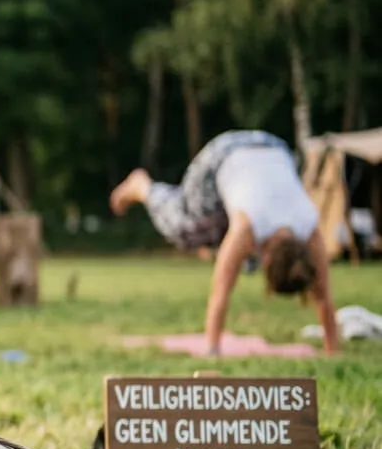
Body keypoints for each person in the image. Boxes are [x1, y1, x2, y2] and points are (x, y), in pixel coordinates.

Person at [110, 129, 341, 356]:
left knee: (227, 242)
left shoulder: (308, 221)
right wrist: (212, 349)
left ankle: (210, 243)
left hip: (275, 147)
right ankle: (142, 186)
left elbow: (322, 294)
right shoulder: (249, 226)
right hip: (224, 155)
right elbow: (220, 291)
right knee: (184, 229)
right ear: (268, 257)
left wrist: (333, 351)